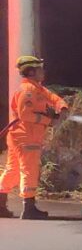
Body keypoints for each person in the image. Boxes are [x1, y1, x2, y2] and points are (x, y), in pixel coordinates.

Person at [0, 56, 69, 219]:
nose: (43, 72)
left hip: (21, 136)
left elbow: (52, 97)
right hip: (25, 136)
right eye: (40, 69)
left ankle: (0, 205)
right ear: (31, 72)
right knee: (29, 170)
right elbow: (25, 115)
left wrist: (62, 107)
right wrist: (49, 121)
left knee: (13, 170)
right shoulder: (28, 91)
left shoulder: (37, 89)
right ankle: (29, 208)